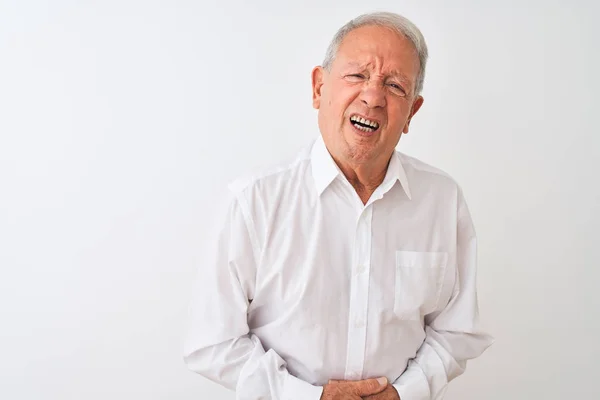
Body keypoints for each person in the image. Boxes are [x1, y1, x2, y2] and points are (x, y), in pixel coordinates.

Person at [183, 11, 494, 400]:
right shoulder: (254, 200)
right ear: (318, 88)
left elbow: (456, 330)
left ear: (412, 111)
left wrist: (404, 392)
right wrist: (308, 397)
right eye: (357, 75)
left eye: (395, 86)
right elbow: (211, 343)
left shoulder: (442, 200)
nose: (373, 97)